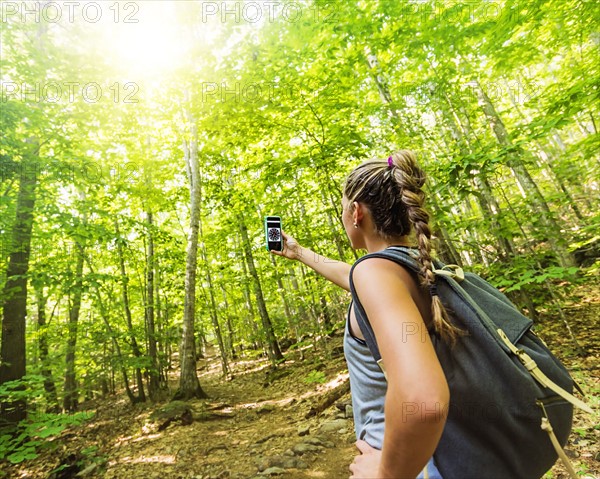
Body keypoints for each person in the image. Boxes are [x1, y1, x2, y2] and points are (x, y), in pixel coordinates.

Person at [271, 150, 457, 478]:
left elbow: (425, 402)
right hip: (446, 452)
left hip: (412, 465)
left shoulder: (376, 275)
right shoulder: (415, 266)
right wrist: (299, 252)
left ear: (356, 212)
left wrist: (386, 473)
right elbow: (353, 277)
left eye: (344, 207)